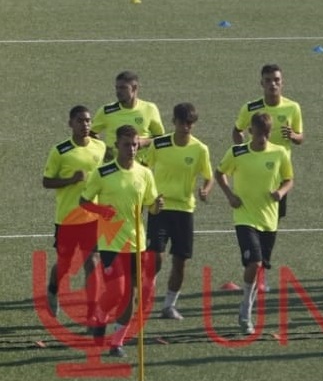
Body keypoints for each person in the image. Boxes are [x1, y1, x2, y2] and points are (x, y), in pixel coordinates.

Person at [79, 125, 164, 358]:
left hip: (137, 243)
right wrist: (101, 210)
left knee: (130, 295)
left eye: (135, 144)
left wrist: (157, 206)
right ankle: (100, 313)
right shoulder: (103, 173)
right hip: (110, 243)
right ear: (117, 146)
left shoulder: (145, 173)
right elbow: (83, 201)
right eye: (127, 144)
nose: (132, 149)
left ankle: (116, 343)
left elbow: (151, 206)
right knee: (118, 291)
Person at [215, 112, 294, 336]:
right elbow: (220, 174)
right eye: (259, 134)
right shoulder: (237, 152)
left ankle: (245, 308)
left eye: (267, 134)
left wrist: (281, 192)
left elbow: (289, 179)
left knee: (259, 268)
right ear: (251, 132)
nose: (263, 138)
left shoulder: (279, 153)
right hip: (244, 217)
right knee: (255, 263)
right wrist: (230, 196)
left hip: (269, 220)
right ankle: (246, 312)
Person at [147, 103, 214, 321]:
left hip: (185, 209)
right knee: (155, 256)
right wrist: (149, 196)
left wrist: (205, 189)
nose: (186, 127)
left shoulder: (199, 149)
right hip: (160, 207)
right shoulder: (159, 144)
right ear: (173, 122)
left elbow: (209, 175)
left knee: (180, 261)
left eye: (190, 123)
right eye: (182, 122)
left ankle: (169, 305)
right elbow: (145, 169)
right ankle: (148, 291)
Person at [42, 105, 107, 317]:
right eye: (80, 121)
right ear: (70, 123)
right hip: (67, 218)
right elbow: (46, 181)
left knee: (92, 262)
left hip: (92, 218)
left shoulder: (100, 147)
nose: (85, 125)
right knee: (65, 265)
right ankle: (52, 290)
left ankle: (92, 310)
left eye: (88, 121)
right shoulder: (60, 151)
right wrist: (70, 180)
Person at [232, 64, 303, 226]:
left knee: (274, 217)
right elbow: (237, 131)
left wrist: (293, 135)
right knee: (251, 216)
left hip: (278, 173)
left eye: (277, 80)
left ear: (282, 83)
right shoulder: (250, 108)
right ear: (262, 84)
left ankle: (263, 251)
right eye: (268, 80)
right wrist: (242, 150)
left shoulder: (293, 108)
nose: (273, 84)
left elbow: (300, 137)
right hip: (254, 170)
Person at [91, 70, 164, 163]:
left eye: (123, 88)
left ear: (134, 88)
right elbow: (90, 134)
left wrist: (144, 142)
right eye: (117, 88)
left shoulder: (149, 109)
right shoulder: (106, 111)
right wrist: (102, 148)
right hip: (113, 166)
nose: (118, 92)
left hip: (141, 166)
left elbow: (160, 139)